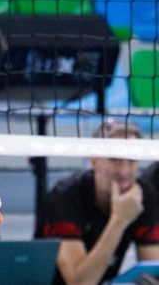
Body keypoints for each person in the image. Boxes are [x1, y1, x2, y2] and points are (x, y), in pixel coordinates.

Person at [41, 120, 159, 285]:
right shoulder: (66, 197)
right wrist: (120, 220)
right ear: (94, 160)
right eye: (115, 159)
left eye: (132, 160)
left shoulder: (144, 195)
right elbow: (80, 283)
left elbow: (153, 270)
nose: (124, 170)